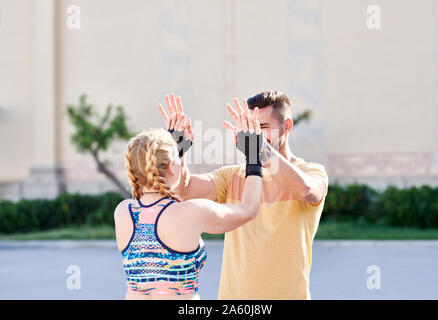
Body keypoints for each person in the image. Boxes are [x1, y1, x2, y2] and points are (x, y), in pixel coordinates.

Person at [160, 91, 329, 300]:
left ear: (286, 126)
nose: (254, 134)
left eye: (263, 128)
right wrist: (177, 152)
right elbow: (183, 190)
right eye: (250, 128)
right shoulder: (233, 176)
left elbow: (307, 191)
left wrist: (260, 150)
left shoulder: (311, 172)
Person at [113, 98, 264, 300]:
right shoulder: (192, 212)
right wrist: (253, 156)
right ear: (169, 167)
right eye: (177, 158)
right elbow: (249, 209)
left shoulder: (123, 212)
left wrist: (177, 152)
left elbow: (159, 206)